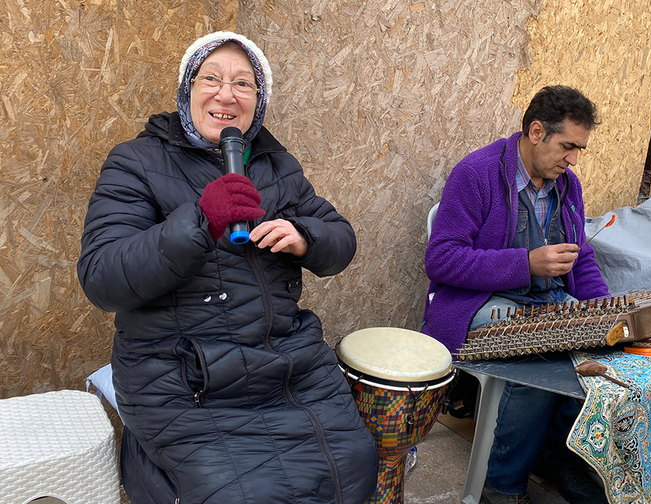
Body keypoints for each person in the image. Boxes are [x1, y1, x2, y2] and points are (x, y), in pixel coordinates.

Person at [77, 32, 378, 504]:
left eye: (243, 84)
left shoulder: (277, 166)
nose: (225, 94)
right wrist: (200, 219)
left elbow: (340, 239)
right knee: (244, 491)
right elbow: (102, 278)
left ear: (257, 104)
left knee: (355, 460)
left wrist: (305, 236)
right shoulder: (136, 162)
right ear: (187, 90)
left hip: (285, 362)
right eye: (211, 79)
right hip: (182, 374)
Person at [422, 85, 610, 504]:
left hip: (543, 304)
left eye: (579, 149)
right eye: (568, 146)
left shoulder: (567, 187)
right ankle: (502, 488)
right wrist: (525, 263)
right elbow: (441, 259)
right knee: (540, 352)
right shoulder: (477, 173)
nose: (574, 159)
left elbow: (582, 257)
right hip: (477, 304)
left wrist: (601, 310)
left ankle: (563, 459)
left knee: (606, 351)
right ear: (537, 131)